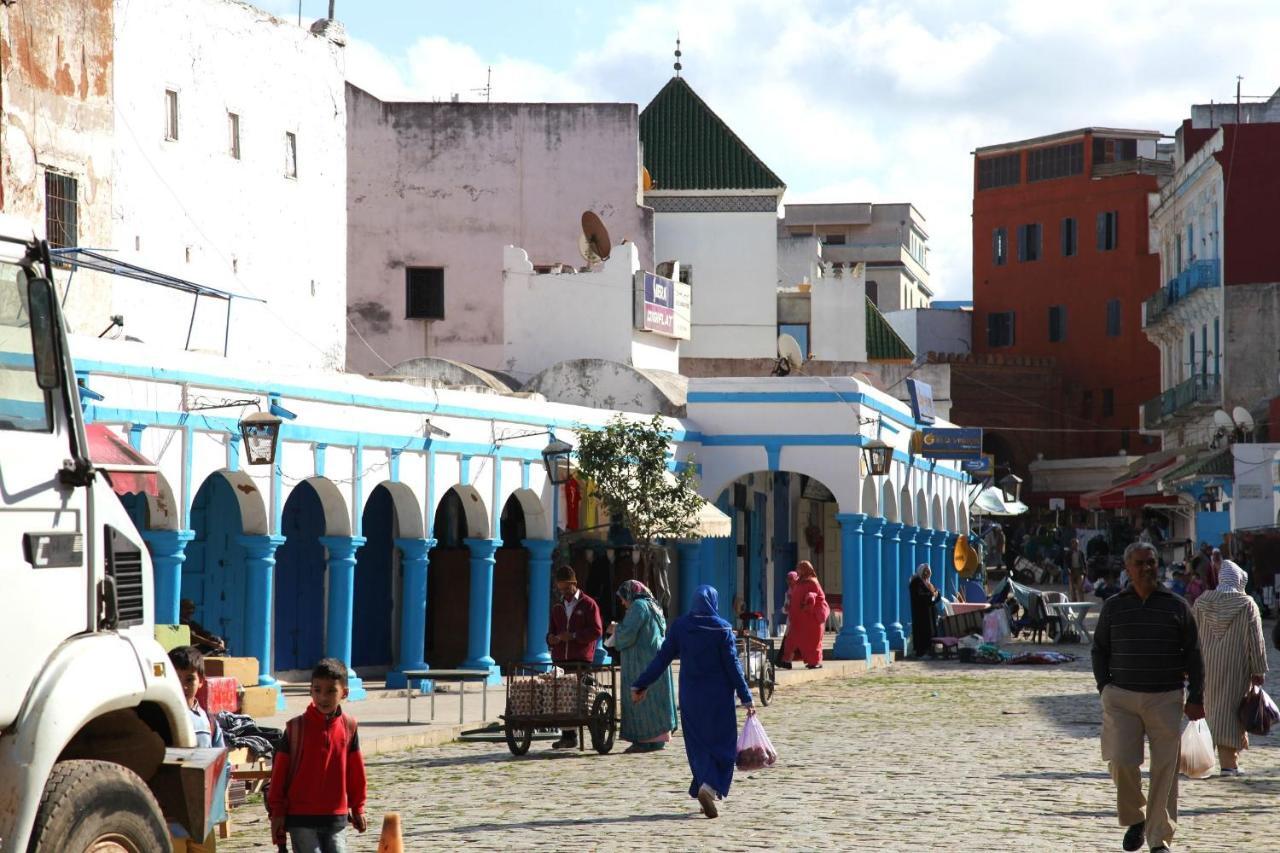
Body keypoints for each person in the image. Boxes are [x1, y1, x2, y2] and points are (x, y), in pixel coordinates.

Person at [1091, 542, 1204, 853]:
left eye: (1151, 562)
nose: (1146, 568)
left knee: (1165, 770)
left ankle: (1159, 839)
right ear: (1128, 569)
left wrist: (1196, 695)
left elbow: (1194, 654)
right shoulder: (1114, 606)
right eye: (1139, 563)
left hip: (1165, 697)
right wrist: (1105, 687)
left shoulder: (1177, 606)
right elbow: (1099, 649)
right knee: (1121, 761)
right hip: (1122, 698)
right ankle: (1136, 817)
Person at [632, 585, 755, 819]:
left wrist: (641, 684)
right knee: (724, 745)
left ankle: (704, 787)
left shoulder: (681, 627)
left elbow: (662, 658)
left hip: (691, 698)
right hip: (719, 699)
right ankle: (709, 786)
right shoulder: (722, 629)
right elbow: (733, 666)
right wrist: (746, 696)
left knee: (698, 746)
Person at [268, 658, 367, 853]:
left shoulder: (349, 727)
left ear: (344, 693)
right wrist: (277, 813)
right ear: (310, 691)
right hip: (300, 816)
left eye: (331, 690)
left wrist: (358, 807)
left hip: (336, 816)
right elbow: (279, 774)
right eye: (318, 690)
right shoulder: (296, 728)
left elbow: (356, 773)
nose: (323, 697)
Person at [1191, 560, 1268, 776]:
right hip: (1236, 667)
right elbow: (1256, 640)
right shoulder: (1246, 604)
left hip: (1206, 666)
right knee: (1231, 713)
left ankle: (1200, 761)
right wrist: (1258, 670)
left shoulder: (1201, 602)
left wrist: (1189, 665)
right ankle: (1229, 764)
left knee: (1208, 710)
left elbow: (1191, 636)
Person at [168, 645, 224, 853]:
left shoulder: (209, 722)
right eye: (176, 679)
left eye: (189, 679)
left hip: (202, 818)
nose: (183, 686)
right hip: (170, 818)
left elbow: (220, 763)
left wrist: (217, 804)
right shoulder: (160, 719)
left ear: (201, 681)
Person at [610, 580, 677, 753]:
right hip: (656, 659)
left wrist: (615, 630)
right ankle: (657, 738)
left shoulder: (638, 606)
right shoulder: (654, 606)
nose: (623, 603)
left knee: (642, 699)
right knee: (655, 699)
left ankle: (643, 739)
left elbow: (629, 633)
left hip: (641, 661)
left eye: (623, 598)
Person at [547, 565, 603, 749]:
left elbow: (596, 630)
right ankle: (568, 736)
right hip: (560, 658)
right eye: (560, 588)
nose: (563, 592)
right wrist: (552, 639)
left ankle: (582, 731)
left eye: (566, 588)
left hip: (580, 658)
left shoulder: (588, 604)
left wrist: (573, 636)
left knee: (577, 697)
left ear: (574, 584)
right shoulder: (557, 607)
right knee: (562, 697)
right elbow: (551, 632)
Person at [780, 561, 829, 669]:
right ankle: (786, 661)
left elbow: (814, 595)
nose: (798, 570)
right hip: (798, 619)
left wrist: (809, 601)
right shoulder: (799, 582)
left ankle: (815, 661)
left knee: (812, 642)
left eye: (800, 568)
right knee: (791, 640)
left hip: (811, 618)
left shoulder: (812, 582)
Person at [908, 564, 941, 658]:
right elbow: (919, 596)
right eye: (925, 571)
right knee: (922, 632)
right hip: (921, 614)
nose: (927, 573)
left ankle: (929, 651)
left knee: (930, 632)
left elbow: (935, 595)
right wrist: (932, 596)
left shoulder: (927, 583)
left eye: (928, 571)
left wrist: (936, 594)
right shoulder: (916, 582)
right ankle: (921, 652)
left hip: (929, 614)